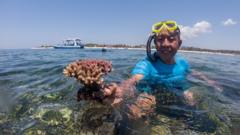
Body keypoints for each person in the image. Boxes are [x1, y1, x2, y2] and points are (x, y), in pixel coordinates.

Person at [103, 20, 221, 116]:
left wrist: (210, 81)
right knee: (143, 104)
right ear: (154, 43)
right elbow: (134, 79)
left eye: (171, 39)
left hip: (177, 91)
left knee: (191, 98)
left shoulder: (182, 62)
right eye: (160, 39)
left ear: (179, 43)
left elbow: (192, 72)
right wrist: (120, 90)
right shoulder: (146, 64)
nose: (165, 44)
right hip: (151, 91)